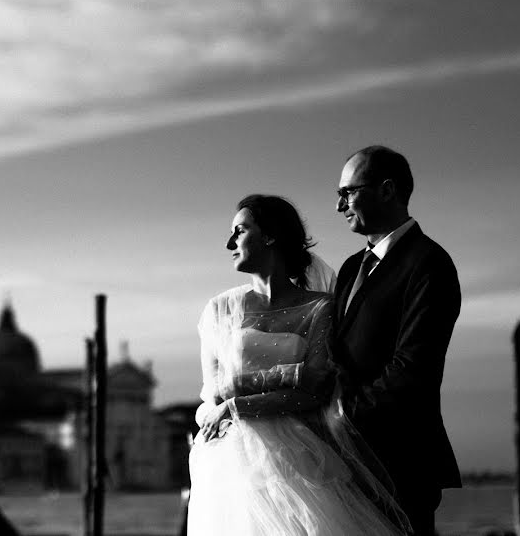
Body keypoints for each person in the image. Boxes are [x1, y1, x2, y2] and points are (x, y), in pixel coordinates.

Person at [188, 194, 409, 536]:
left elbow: (315, 390)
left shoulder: (320, 308)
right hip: (234, 462)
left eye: (240, 230)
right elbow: (211, 393)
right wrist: (217, 412)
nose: (229, 242)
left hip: (303, 455)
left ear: (270, 236)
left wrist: (236, 403)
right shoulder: (218, 309)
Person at [332, 146, 461, 536]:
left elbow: (412, 368)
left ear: (387, 190)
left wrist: (342, 417)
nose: (340, 206)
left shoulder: (429, 263)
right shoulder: (352, 266)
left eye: (348, 193)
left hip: (401, 463)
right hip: (344, 464)